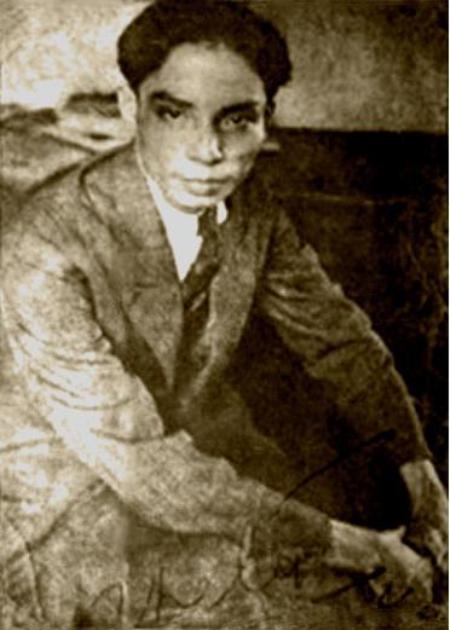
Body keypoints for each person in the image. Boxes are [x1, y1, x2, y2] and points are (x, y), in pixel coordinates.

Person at [0, 0, 447, 627]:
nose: (209, 151)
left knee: (393, 606)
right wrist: (353, 547)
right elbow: (141, 461)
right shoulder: (42, 245)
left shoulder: (253, 210)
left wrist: (421, 475)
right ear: (130, 108)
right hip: (59, 508)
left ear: (267, 120)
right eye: (173, 113)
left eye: (237, 120)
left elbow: (338, 341)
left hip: (208, 474)